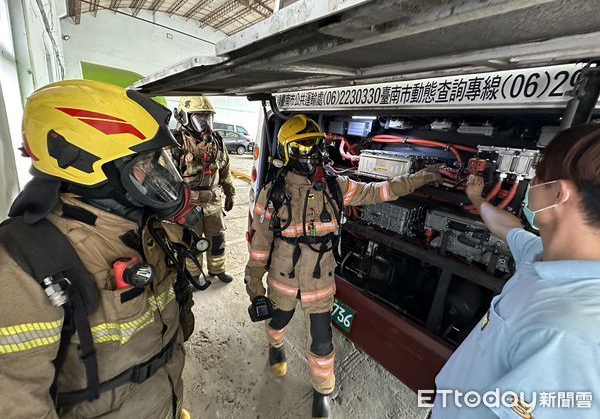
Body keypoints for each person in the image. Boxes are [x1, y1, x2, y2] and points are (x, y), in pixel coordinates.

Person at [0, 80, 199, 418]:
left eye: (156, 160)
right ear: (89, 165)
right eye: (145, 162)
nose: (157, 173)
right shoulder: (25, 262)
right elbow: (18, 403)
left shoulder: (147, 228)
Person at [244, 114, 443, 418]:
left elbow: (381, 192)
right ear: (286, 152)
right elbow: (259, 246)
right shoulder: (271, 194)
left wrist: (421, 177)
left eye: (314, 147)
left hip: (319, 281)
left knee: (322, 342)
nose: (310, 154)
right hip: (282, 279)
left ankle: (323, 389)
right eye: (302, 148)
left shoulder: (337, 187)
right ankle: (276, 346)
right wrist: (254, 286)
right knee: (277, 321)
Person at [432, 123, 600, 418]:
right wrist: (477, 200)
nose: (530, 185)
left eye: (537, 178)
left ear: (558, 194)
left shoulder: (568, 334)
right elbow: (509, 228)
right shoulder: (544, 257)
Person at [172, 96, 235, 284]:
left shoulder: (217, 142)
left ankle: (217, 270)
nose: (206, 125)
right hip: (189, 204)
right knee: (192, 243)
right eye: (200, 119)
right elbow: (168, 180)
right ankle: (194, 275)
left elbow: (225, 169)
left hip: (213, 202)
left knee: (218, 240)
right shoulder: (175, 145)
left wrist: (230, 192)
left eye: (208, 119)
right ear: (184, 118)